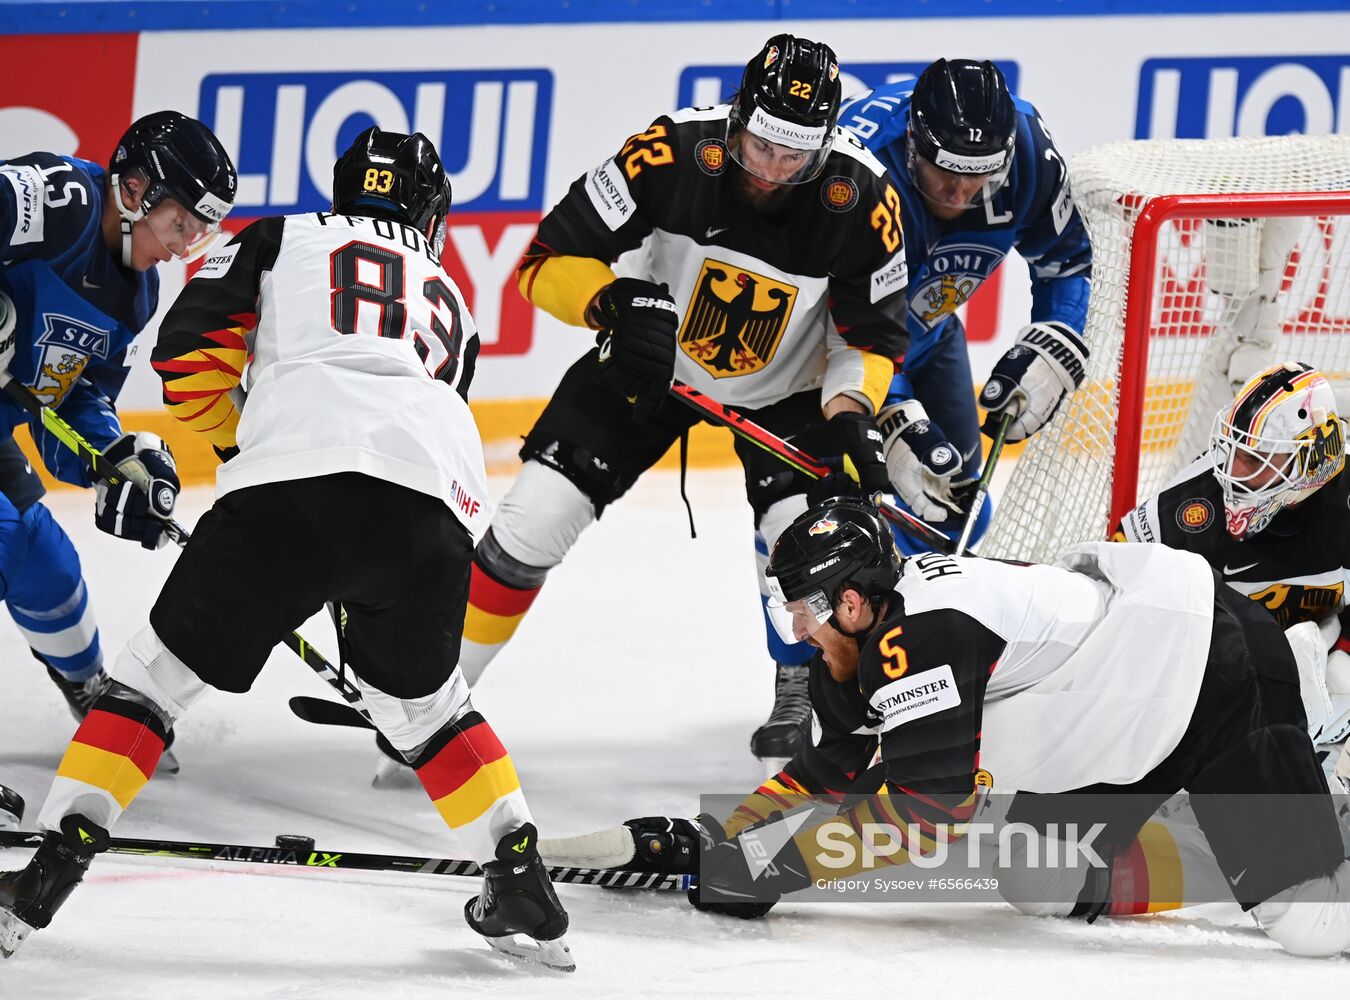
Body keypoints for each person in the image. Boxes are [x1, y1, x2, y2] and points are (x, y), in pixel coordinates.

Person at [0, 128, 573, 970]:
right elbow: (404, 440)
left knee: (153, 684)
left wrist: (250, 451)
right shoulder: (451, 296)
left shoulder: (285, 235)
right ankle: (520, 871)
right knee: (431, 710)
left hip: (291, 493)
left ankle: (46, 877)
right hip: (436, 514)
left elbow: (188, 360)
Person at [457, 34, 911, 762]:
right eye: (762, 144)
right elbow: (542, 263)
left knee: (814, 548)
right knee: (532, 521)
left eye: (796, 155)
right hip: (646, 360)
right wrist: (612, 305)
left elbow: (874, 335)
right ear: (737, 116)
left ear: (826, 145)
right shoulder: (667, 151)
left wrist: (851, 411)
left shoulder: (863, 199)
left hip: (788, 395)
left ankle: (800, 691)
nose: (772, 170)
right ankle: (435, 694)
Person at [666, 496, 1349, 957]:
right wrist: (721, 834)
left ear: (848, 601)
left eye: (800, 609)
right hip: (1136, 720)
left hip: (1216, 677)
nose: (794, 628)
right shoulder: (862, 643)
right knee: (1038, 876)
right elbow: (831, 769)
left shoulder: (921, 633)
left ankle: (1308, 769)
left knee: (1311, 924)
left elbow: (930, 808)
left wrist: (768, 867)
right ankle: (1230, 843)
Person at [746, 59, 1095, 726]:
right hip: (820, 363)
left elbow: (1068, 262)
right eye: (945, 174)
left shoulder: (1027, 154)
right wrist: (895, 418)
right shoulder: (847, 171)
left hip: (931, 339)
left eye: (980, 175)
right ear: (912, 145)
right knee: (808, 515)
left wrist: (1057, 340)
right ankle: (795, 671)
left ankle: (901, 665)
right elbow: (824, 320)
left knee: (952, 512)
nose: (964, 191)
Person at [0, 111, 236, 735]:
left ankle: (82, 683)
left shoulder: (135, 295)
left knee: (41, 564)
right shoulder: (53, 201)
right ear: (133, 190)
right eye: (178, 223)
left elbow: (67, 402)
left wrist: (114, 458)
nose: (183, 247)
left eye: (198, 231)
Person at [1115, 361, 1350, 753]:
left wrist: (1341, 657)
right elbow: (1114, 586)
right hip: (1212, 669)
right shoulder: (1193, 502)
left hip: (1310, 660)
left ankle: (1318, 766)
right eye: (1235, 450)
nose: (1232, 472)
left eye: (1255, 460)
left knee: (1341, 681)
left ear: (1310, 463)